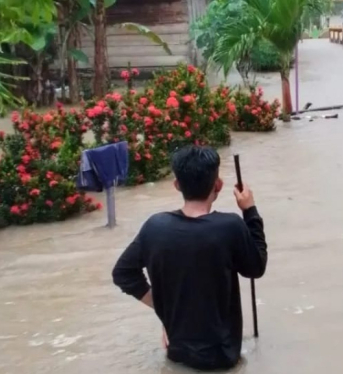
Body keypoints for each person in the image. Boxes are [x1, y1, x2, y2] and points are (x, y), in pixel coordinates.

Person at [112, 145, 268, 370]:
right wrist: (250, 212)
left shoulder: (155, 227)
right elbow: (256, 267)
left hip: (176, 352)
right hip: (222, 357)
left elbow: (123, 274)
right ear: (219, 185)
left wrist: (164, 310)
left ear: (177, 185)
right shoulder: (230, 226)